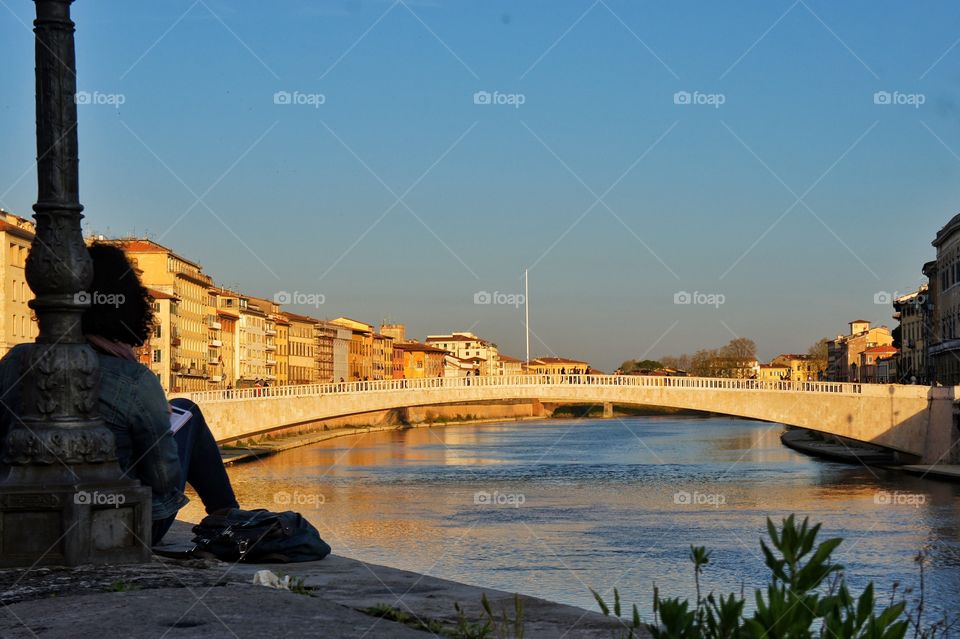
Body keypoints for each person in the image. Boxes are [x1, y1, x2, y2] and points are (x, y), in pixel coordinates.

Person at [0, 243, 238, 545]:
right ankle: (230, 518)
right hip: (121, 529)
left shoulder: (15, 361)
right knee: (186, 411)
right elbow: (163, 478)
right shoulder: (135, 380)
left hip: (24, 522)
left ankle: (229, 515)